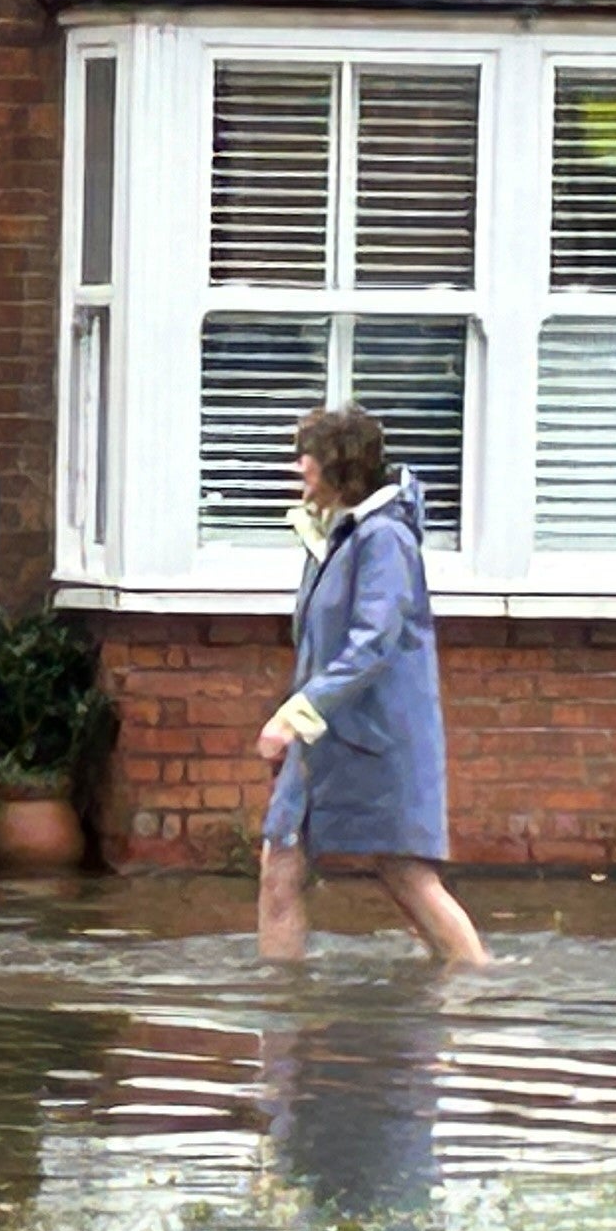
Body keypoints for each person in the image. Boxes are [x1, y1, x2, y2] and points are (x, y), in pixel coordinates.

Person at [259, 407, 492, 970]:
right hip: (328, 735)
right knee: (280, 861)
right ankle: (279, 1010)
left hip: (379, 736)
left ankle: (477, 982)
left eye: (305, 457)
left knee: (404, 871)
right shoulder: (339, 538)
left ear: (335, 466)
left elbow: (373, 642)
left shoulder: (383, 539)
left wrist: (296, 715)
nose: (298, 468)